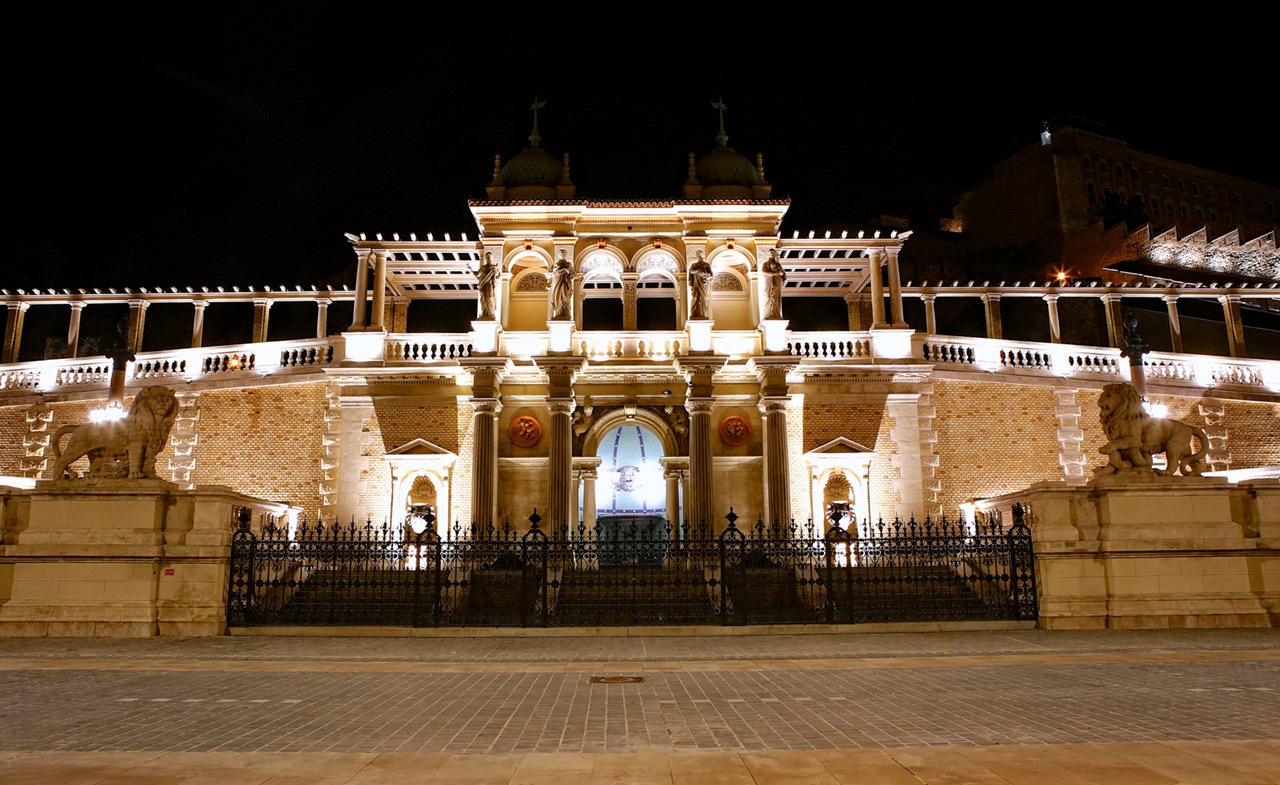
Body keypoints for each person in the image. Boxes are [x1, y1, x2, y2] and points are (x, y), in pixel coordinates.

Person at [762, 248, 786, 319]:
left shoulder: (778, 264)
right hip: (769, 281)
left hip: (776, 281)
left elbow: (783, 273)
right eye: (770, 253)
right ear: (768, 254)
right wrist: (775, 273)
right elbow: (764, 272)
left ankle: (775, 313)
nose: (771, 254)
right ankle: (768, 313)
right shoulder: (765, 264)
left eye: (773, 252)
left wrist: (781, 273)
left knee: (775, 297)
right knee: (768, 296)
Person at [688, 251, 712, 319]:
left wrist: (707, 276)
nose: (700, 256)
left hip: (705, 283)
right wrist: (698, 270)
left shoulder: (706, 265)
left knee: (704, 297)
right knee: (696, 297)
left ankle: (704, 313)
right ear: (697, 256)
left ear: (703, 256)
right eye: (698, 255)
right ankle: (695, 313)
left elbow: (711, 274)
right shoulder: (694, 265)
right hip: (697, 283)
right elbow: (691, 271)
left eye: (701, 255)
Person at [551, 253, 573, 320]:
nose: (562, 254)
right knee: (557, 297)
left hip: (565, 281)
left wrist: (568, 272)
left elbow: (572, 274)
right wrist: (564, 270)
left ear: (566, 255)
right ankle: (558, 313)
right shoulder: (556, 264)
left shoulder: (568, 264)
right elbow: (555, 272)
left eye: (563, 253)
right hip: (557, 281)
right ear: (559, 255)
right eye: (561, 253)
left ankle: (566, 313)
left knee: (565, 296)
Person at [475, 252, 498, 319]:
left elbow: (498, 275)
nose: (488, 259)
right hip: (484, 284)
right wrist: (470, 269)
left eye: (489, 257)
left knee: (490, 297)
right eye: (487, 257)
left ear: (492, 258)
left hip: (490, 284)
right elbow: (477, 274)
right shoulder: (483, 267)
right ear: (485, 259)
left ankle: (491, 313)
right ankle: (485, 312)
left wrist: (496, 272)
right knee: (484, 298)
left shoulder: (494, 267)